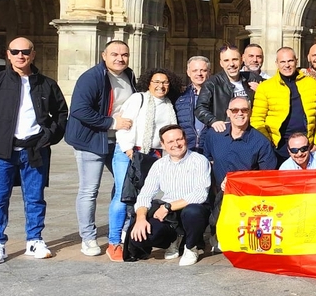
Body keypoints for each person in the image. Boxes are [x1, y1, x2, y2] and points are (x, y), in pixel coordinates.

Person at [0, 37, 68, 264]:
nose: (20, 56)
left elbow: (62, 113)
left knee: (35, 198)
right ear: (8, 54)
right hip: (0, 152)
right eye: (15, 51)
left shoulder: (46, 84)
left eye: (25, 51)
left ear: (33, 54)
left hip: (34, 149)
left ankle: (34, 240)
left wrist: (49, 136)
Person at [66, 40, 136, 258]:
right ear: (104, 55)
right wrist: (112, 123)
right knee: (89, 190)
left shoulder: (129, 75)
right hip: (91, 140)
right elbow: (79, 110)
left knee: (125, 186)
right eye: (114, 54)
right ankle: (88, 237)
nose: (120, 58)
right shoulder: (91, 77)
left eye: (124, 55)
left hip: (120, 141)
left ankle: (123, 229)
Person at [107, 68, 181, 261]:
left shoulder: (168, 105)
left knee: (144, 197)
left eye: (165, 82)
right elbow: (125, 126)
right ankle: (114, 242)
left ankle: (134, 238)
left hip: (154, 154)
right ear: (148, 83)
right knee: (123, 196)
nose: (161, 85)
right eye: (156, 81)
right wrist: (129, 150)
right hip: (130, 152)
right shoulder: (138, 99)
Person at [127, 125, 211, 266]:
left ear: (185, 139)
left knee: (192, 211)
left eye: (179, 139)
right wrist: (140, 218)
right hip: (170, 216)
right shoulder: (159, 165)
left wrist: (168, 206)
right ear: (163, 145)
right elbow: (145, 194)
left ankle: (191, 247)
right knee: (140, 237)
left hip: (193, 209)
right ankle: (174, 239)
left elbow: (200, 195)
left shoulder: (199, 160)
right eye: (170, 141)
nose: (176, 144)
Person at [200, 97, 277, 248]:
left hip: (246, 197)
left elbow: (267, 177)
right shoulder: (214, 135)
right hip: (218, 195)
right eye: (235, 110)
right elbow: (208, 160)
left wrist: (237, 181)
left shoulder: (261, 142)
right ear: (228, 113)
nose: (240, 113)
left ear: (250, 112)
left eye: (244, 110)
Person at [252, 47, 316, 160]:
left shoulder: (312, 83)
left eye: (290, 61)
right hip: (277, 147)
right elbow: (257, 120)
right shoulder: (265, 87)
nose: (287, 65)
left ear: (296, 61)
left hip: (307, 146)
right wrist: (268, 144)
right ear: (277, 63)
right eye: (282, 62)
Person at [195, 45, 252, 134]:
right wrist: (213, 121)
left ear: (241, 60)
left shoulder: (252, 79)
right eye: (226, 60)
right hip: (225, 132)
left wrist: (259, 89)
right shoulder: (212, 83)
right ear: (221, 63)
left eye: (235, 59)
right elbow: (200, 108)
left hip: (249, 131)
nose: (231, 64)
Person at [176, 55, 210, 151]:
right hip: (186, 149)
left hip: (210, 148)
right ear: (188, 73)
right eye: (195, 70)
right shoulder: (180, 96)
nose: (199, 74)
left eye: (203, 70)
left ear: (209, 72)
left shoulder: (218, 95)